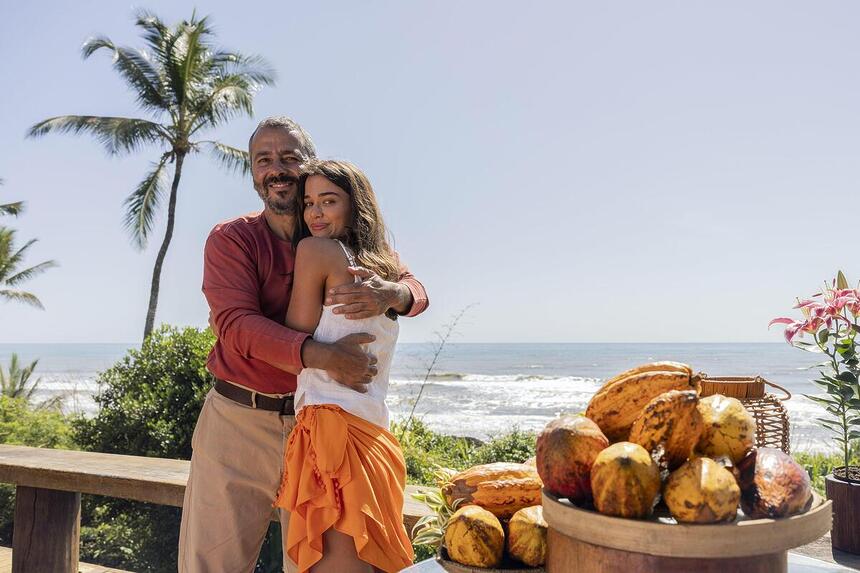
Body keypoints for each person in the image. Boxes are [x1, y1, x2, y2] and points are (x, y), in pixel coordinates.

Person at [178, 117, 428, 573]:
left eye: (289, 158)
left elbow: (413, 286)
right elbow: (235, 324)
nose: (276, 169)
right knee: (212, 565)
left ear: (309, 164)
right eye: (263, 160)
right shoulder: (233, 238)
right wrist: (325, 357)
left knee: (311, 565)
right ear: (253, 172)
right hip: (239, 422)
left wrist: (394, 294)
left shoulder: (349, 243)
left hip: (319, 425)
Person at [273, 160, 414, 573]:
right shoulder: (386, 271)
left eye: (328, 201)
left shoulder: (314, 250)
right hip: (375, 435)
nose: (315, 213)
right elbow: (414, 295)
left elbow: (294, 334)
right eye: (309, 203)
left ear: (355, 206)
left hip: (331, 433)